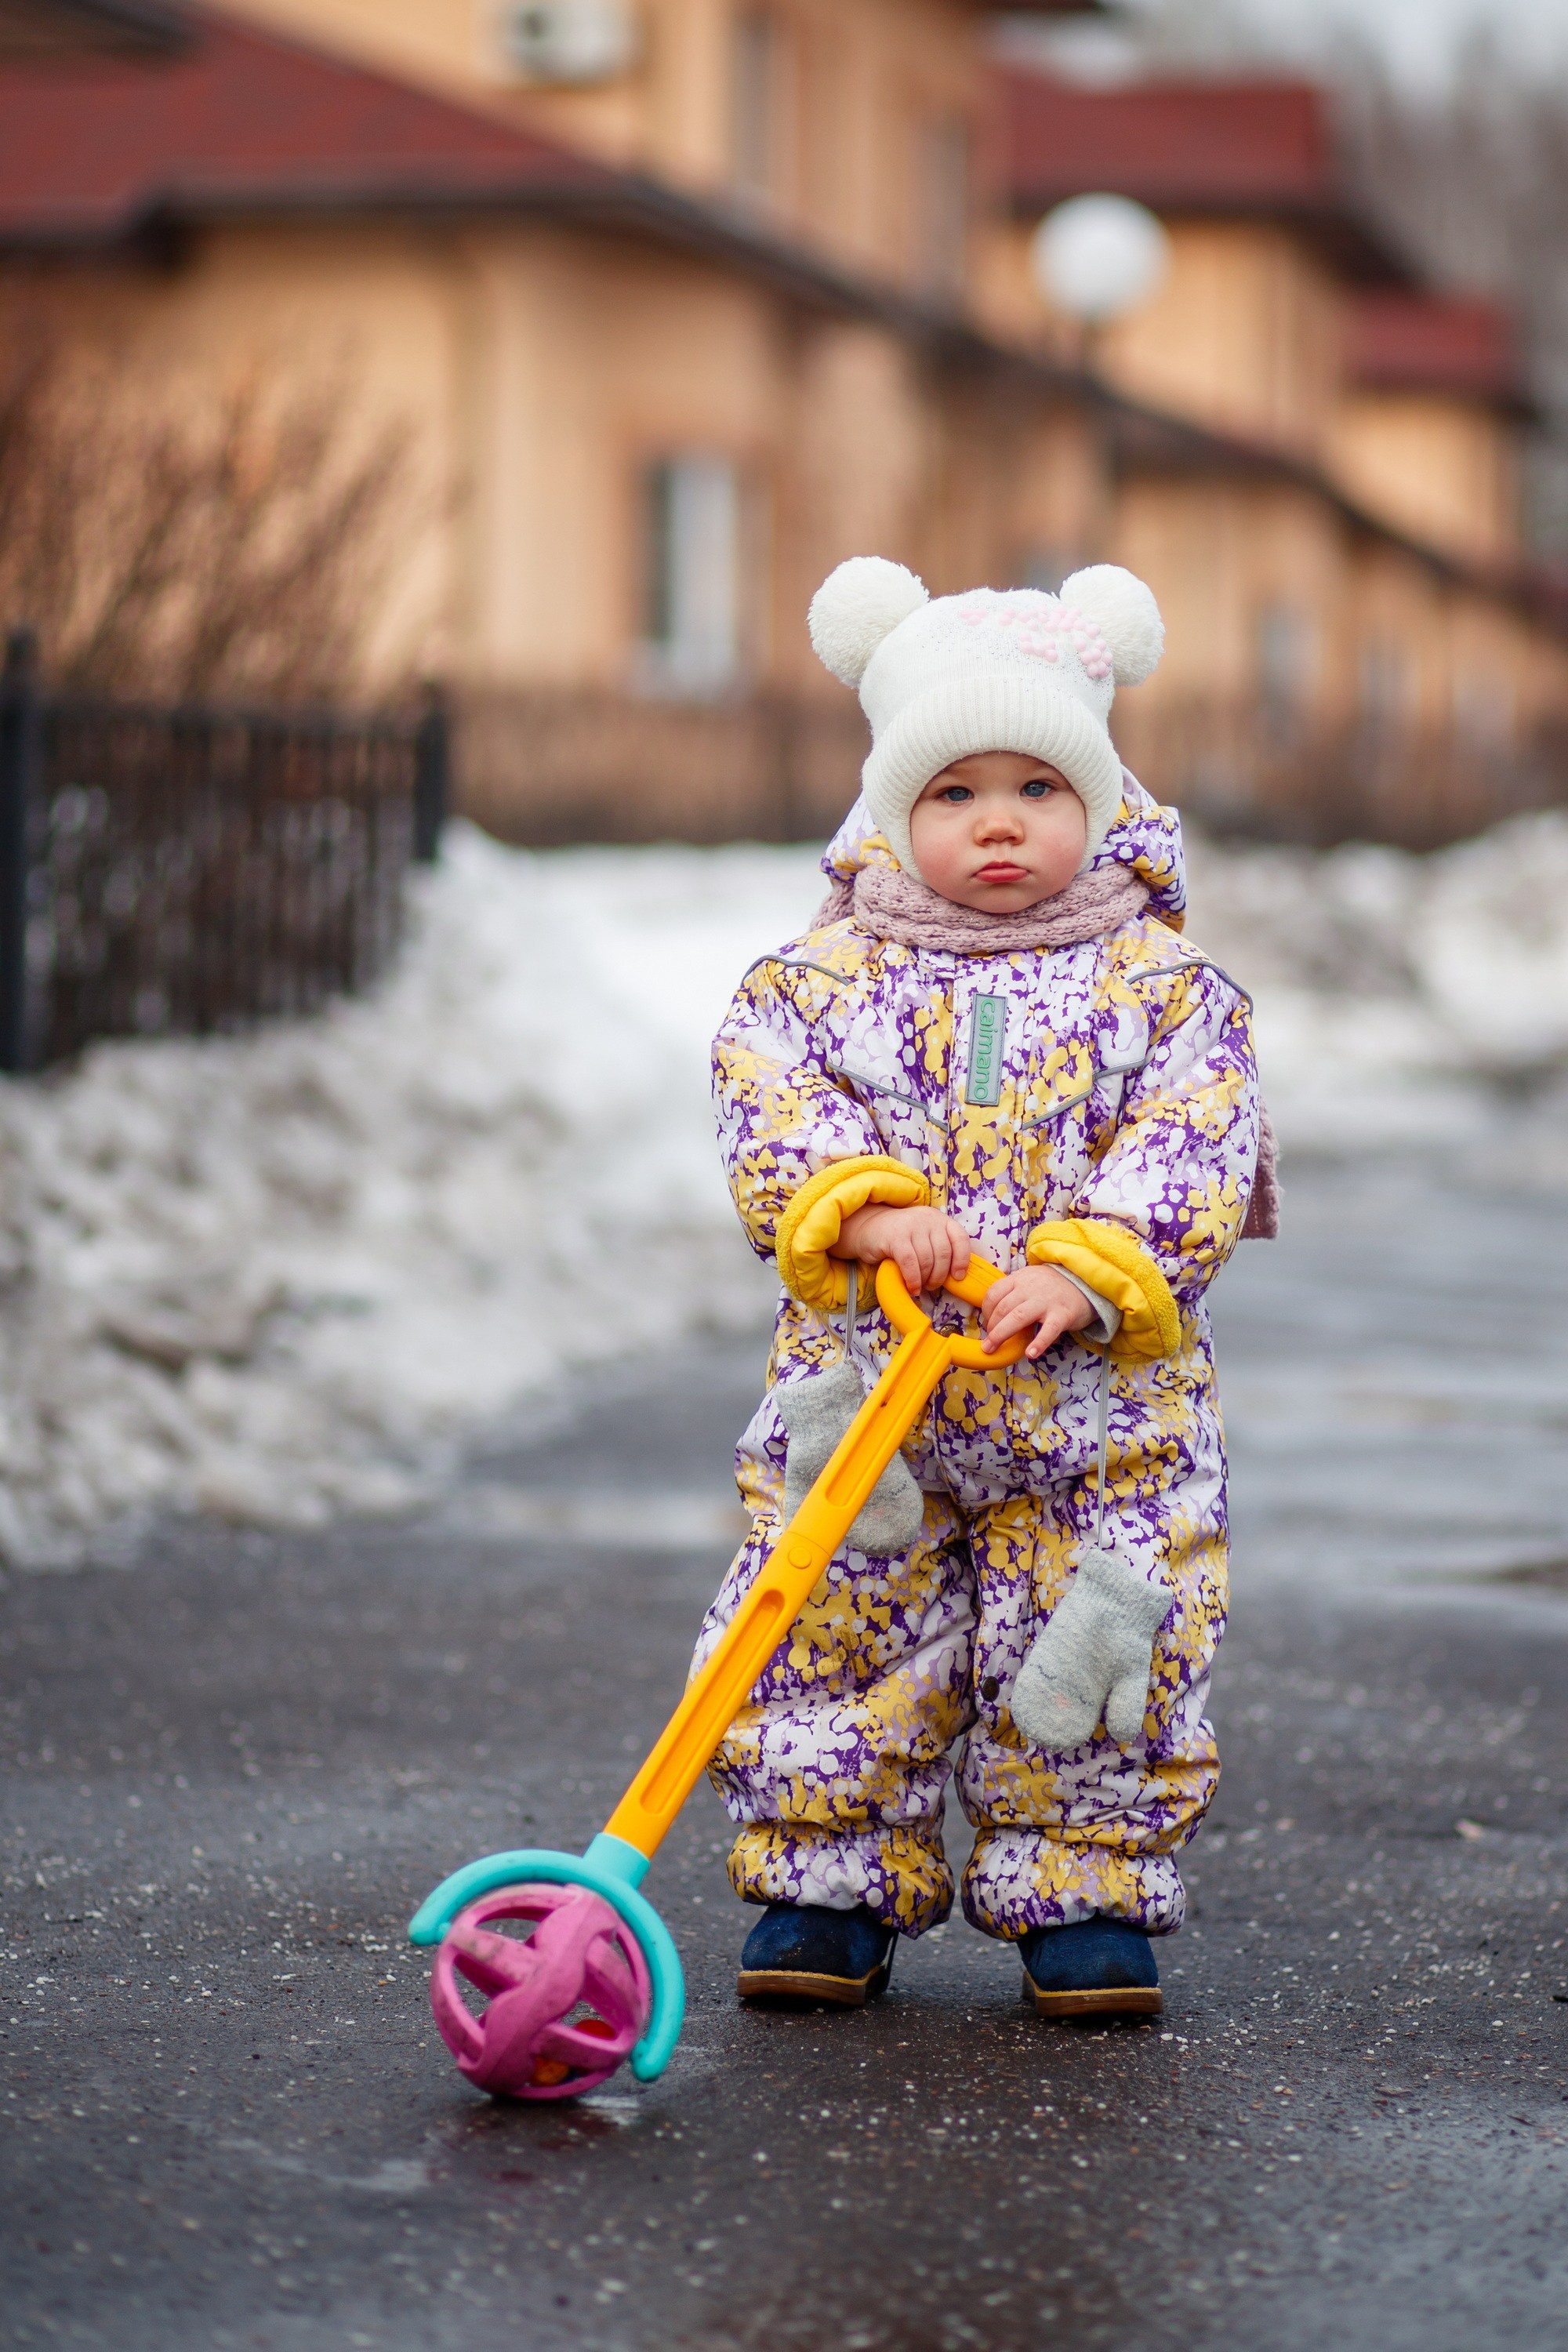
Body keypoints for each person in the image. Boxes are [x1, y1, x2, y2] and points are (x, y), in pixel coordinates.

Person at [697, 557, 1273, 2020]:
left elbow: (1195, 1137)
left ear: (1102, 802)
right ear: (895, 809)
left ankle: (1083, 1887)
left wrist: (1089, 1270)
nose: (999, 821)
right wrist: (869, 1208)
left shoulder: (1167, 990)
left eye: (1038, 787)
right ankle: (827, 1879)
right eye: (954, 791)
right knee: (838, 1618)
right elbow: (770, 1102)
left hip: (1097, 1412)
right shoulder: (814, 985)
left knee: (1096, 1634)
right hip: (869, 1395)